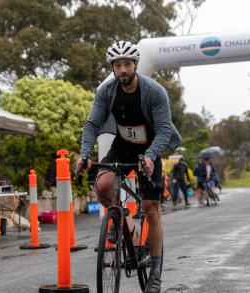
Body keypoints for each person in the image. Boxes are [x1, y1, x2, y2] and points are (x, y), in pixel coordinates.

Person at [76, 40, 182, 293]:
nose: (122, 70)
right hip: (122, 144)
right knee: (102, 186)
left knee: (150, 208)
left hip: (151, 147)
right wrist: (84, 154)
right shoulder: (107, 91)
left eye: (127, 64)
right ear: (112, 68)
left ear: (136, 65)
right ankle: (126, 224)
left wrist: (150, 156)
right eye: (117, 65)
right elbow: (92, 124)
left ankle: (155, 274)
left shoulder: (155, 92)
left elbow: (165, 129)